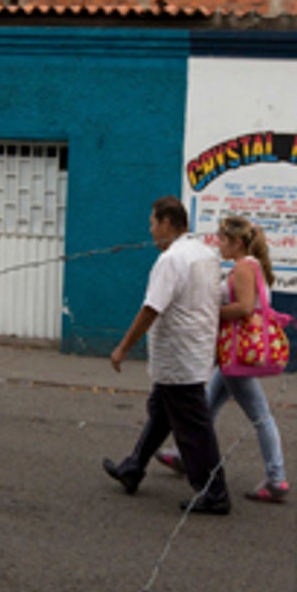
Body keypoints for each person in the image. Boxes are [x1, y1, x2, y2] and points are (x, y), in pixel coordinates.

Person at [102, 196, 232, 515]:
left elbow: (152, 308)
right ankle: (133, 467)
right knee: (161, 412)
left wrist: (123, 347)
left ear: (167, 223)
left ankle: (214, 491)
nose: (150, 231)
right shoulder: (206, 253)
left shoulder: (171, 260)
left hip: (179, 356)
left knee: (193, 427)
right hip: (195, 350)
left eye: (152, 223)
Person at [155, 214, 291, 502]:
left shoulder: (243, 267)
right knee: (206, 406)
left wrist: (210, 314)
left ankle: (277, 478)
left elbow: (243, 308)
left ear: (238, 242)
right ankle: (182, 455)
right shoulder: (251, 265)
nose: (218, 244)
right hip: (235, 354)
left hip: (237, 354)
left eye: (223, 239)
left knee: (260, 415)